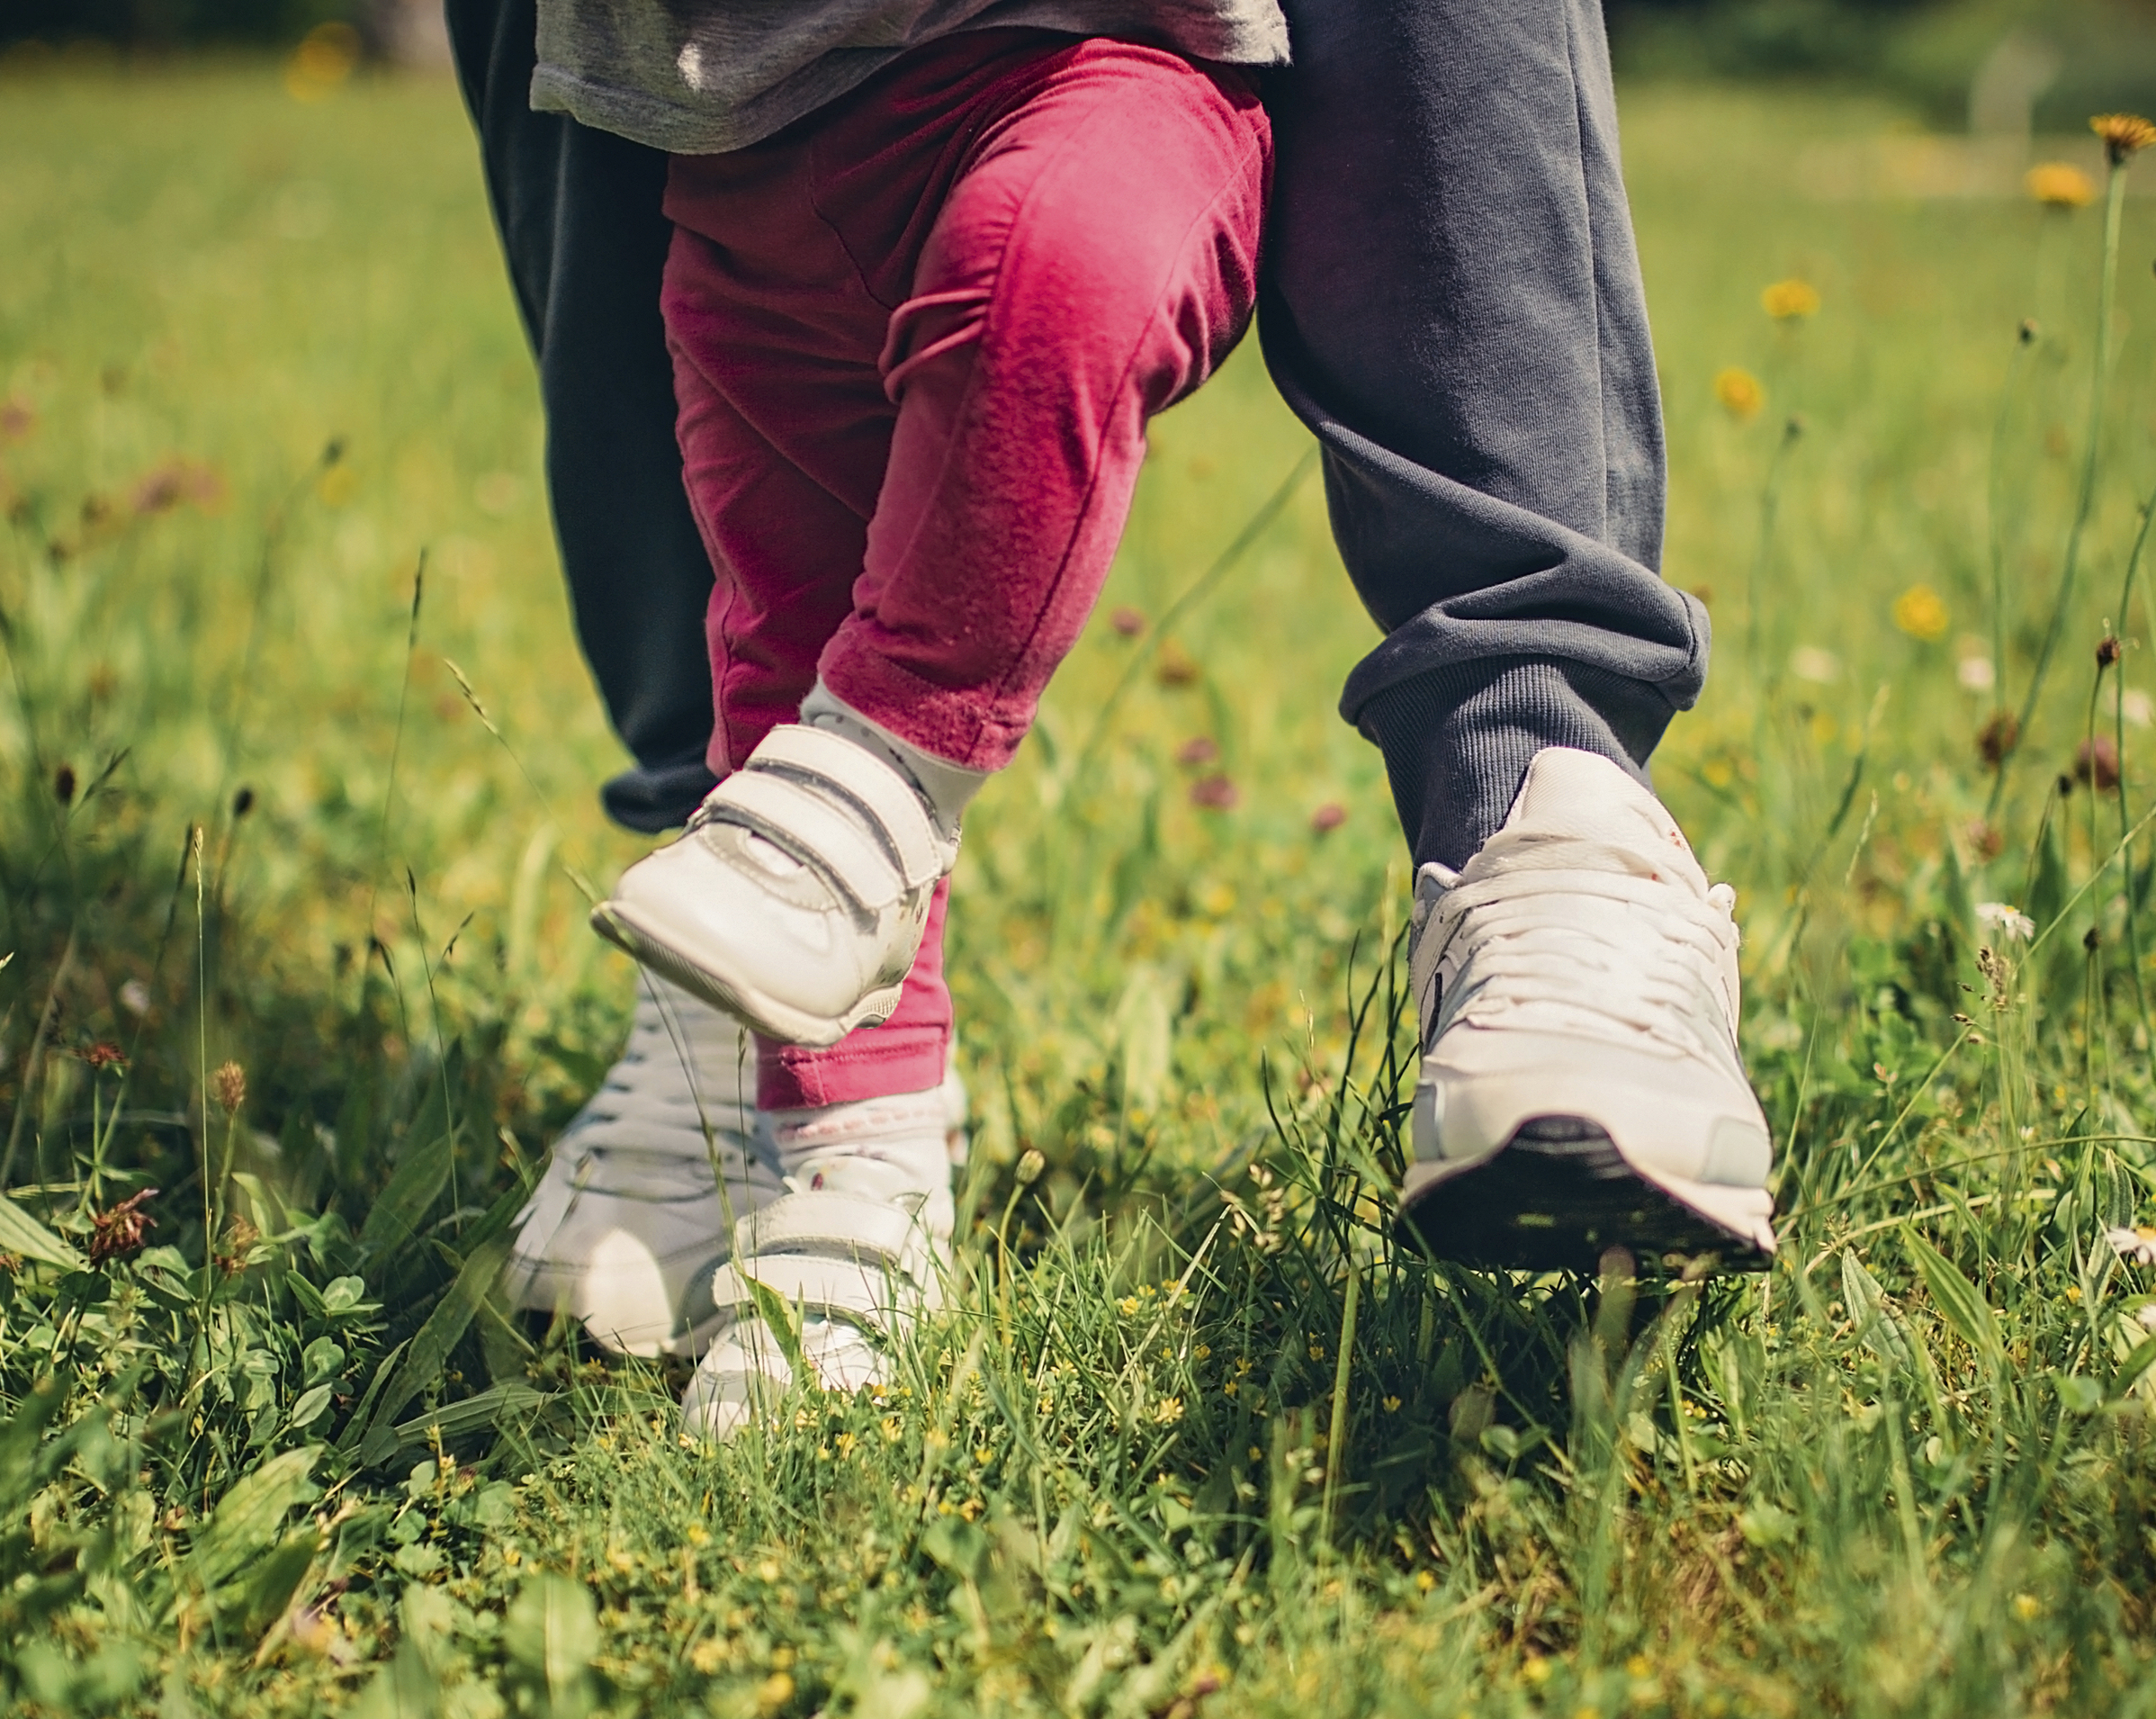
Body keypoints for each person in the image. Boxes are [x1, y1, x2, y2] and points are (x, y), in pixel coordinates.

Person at [446, 0, 1780, 1434]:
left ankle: (1545, 801)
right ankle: (845, 1142)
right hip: (728, 107)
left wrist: (889, 740)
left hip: (1091, 55)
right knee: (772, 607)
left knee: (1049, 291)